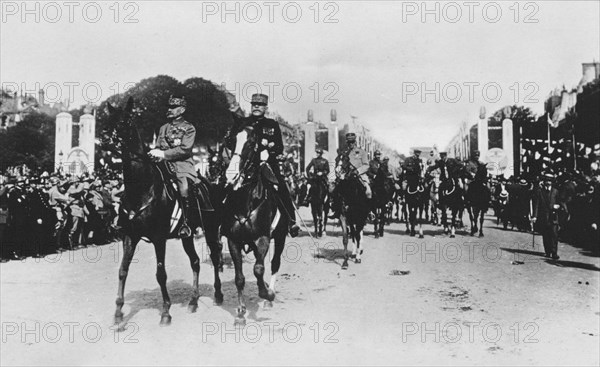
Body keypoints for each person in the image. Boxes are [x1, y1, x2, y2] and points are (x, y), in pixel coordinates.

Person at [223, 93, 300, 237]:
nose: (257, 107)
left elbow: (279, 147)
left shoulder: (271, 125)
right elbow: (230, 141)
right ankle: (221, 222)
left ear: (266, 107)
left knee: (281, 187)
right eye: (254, 104)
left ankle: (291, 221)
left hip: (266, 163)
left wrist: (270, 147)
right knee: (225, 185)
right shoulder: (243, 122)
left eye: (260, 105)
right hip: (243, 163)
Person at [148, 95, 213, 238]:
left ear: (182, 110)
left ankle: (186, 222)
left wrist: (163, 154)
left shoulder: (189, 128)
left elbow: (185, 149)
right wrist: (154, 153)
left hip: (183, 166)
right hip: (163, 165)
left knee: (184, 188)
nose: (169, 110)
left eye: (173, 107)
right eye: (169, 107)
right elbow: (159, 146)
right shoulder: (163, 128)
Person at [329, 132, 371, 219]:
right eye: (349, 142)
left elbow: (366, 165)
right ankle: (336, 210)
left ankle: (369, 211)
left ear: (355, 142)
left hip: (360, 175)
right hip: (345, 176)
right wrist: (338, 171)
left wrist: (358, 171)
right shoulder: (344, 153)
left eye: (352, 142)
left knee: (368, 191)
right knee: (334, 190)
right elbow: (338, 163)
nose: (350, 144)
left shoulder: (362, 152)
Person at [532, 172, 561, 260]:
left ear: (552, 182)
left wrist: (557, 206)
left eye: (550, 181)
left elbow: (559, 203)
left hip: (553, 217)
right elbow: (536, 204)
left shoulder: (556, 191)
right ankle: (547, 251)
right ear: (544, 181)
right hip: (543, 216)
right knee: (546, 235)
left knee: (554, 235)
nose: (548, 182)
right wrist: (535, 216)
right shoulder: (540, 191)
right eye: (546, 180)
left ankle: (554, 253)